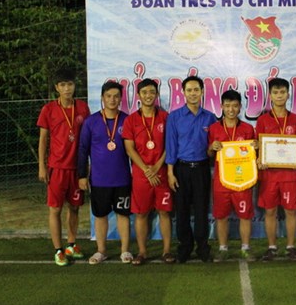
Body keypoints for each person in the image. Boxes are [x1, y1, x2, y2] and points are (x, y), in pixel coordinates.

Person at [37, 68, 90, 266]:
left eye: (70, 84)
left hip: (77, 168)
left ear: (75, 86)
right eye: (63, 85)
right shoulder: (49, 109)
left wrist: (87, 166)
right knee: (55, 209)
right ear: (57, 88)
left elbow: (88, 138)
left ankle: (71, 244)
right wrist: (42, 166)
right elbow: (43, 140)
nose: (67, 88)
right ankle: (58, 250)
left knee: (74, 207)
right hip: (57, 168)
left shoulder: (82, 108)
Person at [78, 81, 132, 265]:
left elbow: (134, 150)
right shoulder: (91, 122)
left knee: (123, 215)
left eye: (116, 96)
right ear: (102, 97)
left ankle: (125, 250)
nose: (112, 100)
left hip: (122, 179)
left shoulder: (127, 120)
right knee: (100, 215)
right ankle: (101, 251)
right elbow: (82, 149)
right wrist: (82, 175)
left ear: (121, 98)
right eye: (108, 96)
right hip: (99, 180)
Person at [122, 78, 175, 265]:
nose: (148, 95)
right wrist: (146, 170)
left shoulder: (166, 117)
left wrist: (157, 167)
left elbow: (170, 145)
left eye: (152, 92)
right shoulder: (131, 120)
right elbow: (129, 149)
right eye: (144, 92)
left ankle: (166, 251)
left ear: (157, 94)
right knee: (141, 214)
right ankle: (142, 252)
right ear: (138, 95)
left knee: (164, 212)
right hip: (141, 175)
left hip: (161, 173)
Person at [165, 76, 217, 263]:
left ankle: (203, 248)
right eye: (189, 90)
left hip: (202, 169)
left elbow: (214, 146)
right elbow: (171, 146)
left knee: (202, 210)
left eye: (196, 90)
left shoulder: (210, 117)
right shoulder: (174, 117)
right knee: (182, 210)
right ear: (183, 93)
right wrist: (170, 173)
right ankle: (184, 248)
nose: (193, 93)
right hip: (181, 169)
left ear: (202, 92)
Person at [256, 77, 296, 261]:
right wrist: (260, 159)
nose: (279, 96)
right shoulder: (263, 120)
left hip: (289, 175)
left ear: (288, 94)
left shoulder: (295, 120)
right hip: (269, 175)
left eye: (282, 92)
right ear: (270, 95)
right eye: (275, 92)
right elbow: (258, 146)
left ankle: (291, 247)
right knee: (270, 211)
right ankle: (272, 247)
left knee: (291, 211)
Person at [208, 89, 258, 262]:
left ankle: (246, 248)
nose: (231, 109)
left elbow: (254, 154)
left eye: (235, 106)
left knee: (245, 216)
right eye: (227, 105)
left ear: (240, 107)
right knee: (221, 216)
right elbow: (208, 154)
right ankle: (223, 249)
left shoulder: (248, 129)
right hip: (221, 181)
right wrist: (211, 147)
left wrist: (256, 146)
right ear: (221, 106)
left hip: (243, 180)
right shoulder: (214, 128)